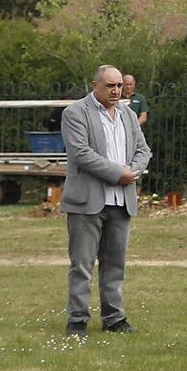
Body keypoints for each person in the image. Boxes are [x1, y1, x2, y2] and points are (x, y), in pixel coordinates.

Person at [61, 64, 151, 337]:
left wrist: (132, 171)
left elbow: (143, 149)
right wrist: (117, 173)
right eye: (110, 86)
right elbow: (81, 153)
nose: (116, 91)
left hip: (121, 201)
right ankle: (77, 319)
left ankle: (114, 317)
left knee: (115, 264)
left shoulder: (127, 114)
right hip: (87, 201)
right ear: (95, 86)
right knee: (82, 264)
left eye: (119, 86)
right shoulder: (75, 113)